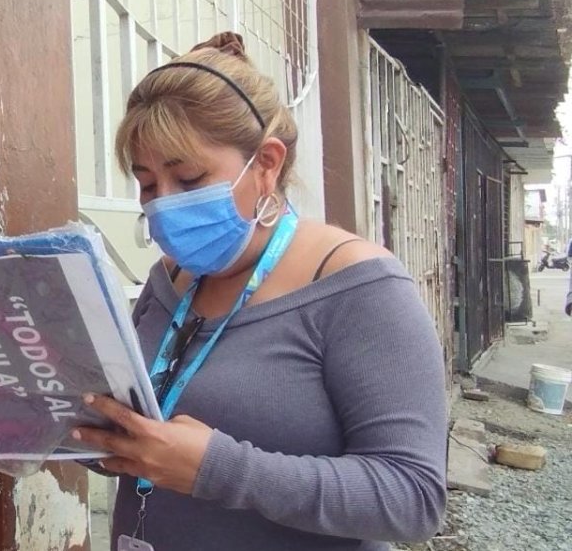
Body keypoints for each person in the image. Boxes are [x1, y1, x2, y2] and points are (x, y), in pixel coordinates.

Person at [72, 32, 448, 550]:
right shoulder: (170, 282)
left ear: (267, 164)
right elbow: (141, 440)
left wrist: (217, 470)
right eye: (147, 184)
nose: (163, 204)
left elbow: (413, 498)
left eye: (187, 178)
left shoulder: (358, 288)